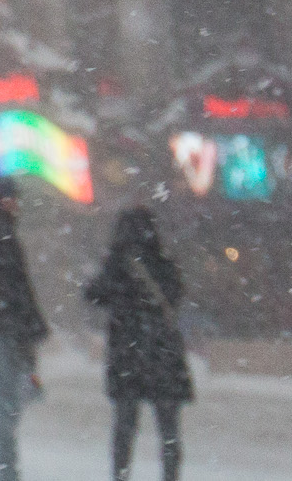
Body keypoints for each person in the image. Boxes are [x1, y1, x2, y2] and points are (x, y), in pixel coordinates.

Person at [83, 205, 192, 481]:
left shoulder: (117, 266)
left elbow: (93, 295)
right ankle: (170, 476)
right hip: (161, 353)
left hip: (127, 355)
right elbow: (175, 295)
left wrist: (116, 280)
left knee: (125, 427)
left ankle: (120, 476)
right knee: (168, 429)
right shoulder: (162, 264)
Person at [0, 177, 50, 481]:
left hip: (0, 328)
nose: (17, 205)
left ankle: (7, 469)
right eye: (12, 199)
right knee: (7, 402)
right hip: (3, 329)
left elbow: (8, 288)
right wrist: (28, 322)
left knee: (8, 399)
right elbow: (15, 288)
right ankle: (6, 472)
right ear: (2, 201)